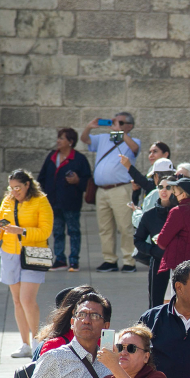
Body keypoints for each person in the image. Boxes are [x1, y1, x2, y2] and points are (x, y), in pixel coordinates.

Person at [0, 170, 54, 359]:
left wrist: (21, 230)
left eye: (17, 187)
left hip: (33, 254)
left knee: (27, 300)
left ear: (28, 184)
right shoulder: (8, 200)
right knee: (17, 301)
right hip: (10, 253)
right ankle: (25, 344)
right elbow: (0, 227)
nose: (14, 191)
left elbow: (45, 231)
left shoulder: (40, 200)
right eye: (11, 188)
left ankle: (37, 341)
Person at [81, 113, 140, 272]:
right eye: (114, 121)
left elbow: (135, 148)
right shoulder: (103, 138)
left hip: (120, 189)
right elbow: (85, 139)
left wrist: (121, 133)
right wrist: (89, 126)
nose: (116, 124)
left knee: (125, 226)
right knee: (105, 228)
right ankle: (110, 260)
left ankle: (129, 261)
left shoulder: (131, 141)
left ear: (129, 126)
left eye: (120, 122)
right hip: (102, 190)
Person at [134, 176, 176, 307]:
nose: (164, 190)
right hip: (158, 262)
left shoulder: (181, 213)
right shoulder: (150, 215)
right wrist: (153, 251)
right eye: (160, 187)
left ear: (175, 190)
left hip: (179, 262)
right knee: (155, 303)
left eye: (168, 187)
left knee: (181, 302)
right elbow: (138, 240)